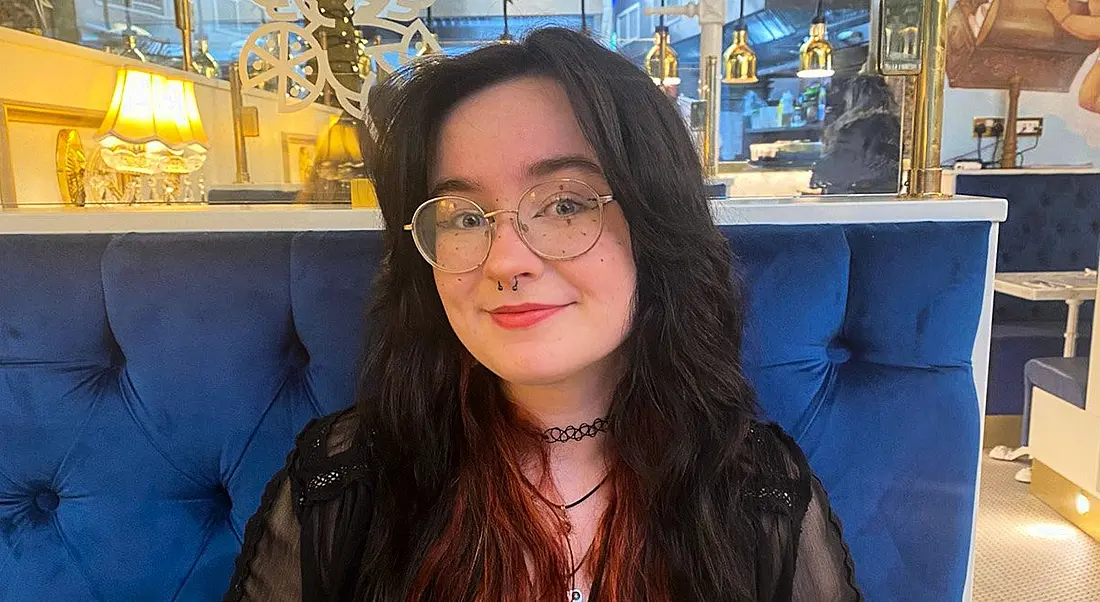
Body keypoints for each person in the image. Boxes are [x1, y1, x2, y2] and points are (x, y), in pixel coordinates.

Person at [225, 27, 861, 602]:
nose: (505, 260)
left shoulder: (754, 489)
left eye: (564, 205)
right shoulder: (348, 482)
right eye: (464, 218)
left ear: (654, 229)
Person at [810, 73, 901, 195]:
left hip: (854, 196)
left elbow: (845, 163)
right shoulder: (890, 124)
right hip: (883, 194)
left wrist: (818, 167)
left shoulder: (857, 128)